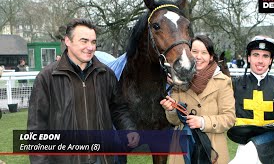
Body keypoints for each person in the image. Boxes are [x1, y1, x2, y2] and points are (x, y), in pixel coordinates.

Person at [27, 18, 139, 164]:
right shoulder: (47, 78)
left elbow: (118, 109)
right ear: (67, 41)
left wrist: (129, 129)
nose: (90, 47)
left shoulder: (106, 74)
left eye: (93, 42)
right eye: (84, 41)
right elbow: (36, 128)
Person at [160, 35, 236, 164]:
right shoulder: (178, 80)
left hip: (212, 150)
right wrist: (172, 110)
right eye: (194, 52)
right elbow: (174, 121)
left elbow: (229, 118)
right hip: (183, 150)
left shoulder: (223, 82)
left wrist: (202, 122)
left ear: (211, 57)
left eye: (204, 53)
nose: (198, 57)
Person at [230, 35, 274, 163]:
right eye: (256, 55)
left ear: (270, 60)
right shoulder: (233, 86)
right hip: (245, 145)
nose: (260, 61)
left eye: (265, 56)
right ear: (249, 58)